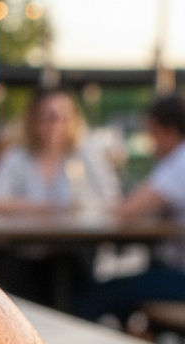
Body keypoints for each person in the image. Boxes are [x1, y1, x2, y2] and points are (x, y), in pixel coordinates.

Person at [75, 94, 185, 322]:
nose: (149, 141)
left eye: (151, 132)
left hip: (180, 277)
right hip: (173, 270)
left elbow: (126, 210)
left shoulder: (179, 162)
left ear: (167, 130)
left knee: (92, 297)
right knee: (124, 292)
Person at [0, 90, 120, 212]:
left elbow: (113, 200)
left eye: (64, 115)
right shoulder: (18, 157)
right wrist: (41, 209)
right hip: (27, 239)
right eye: (48, 116)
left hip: (81, 240)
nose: (56, 123)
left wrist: (85, 208)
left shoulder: (87, 155)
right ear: (33, 119)